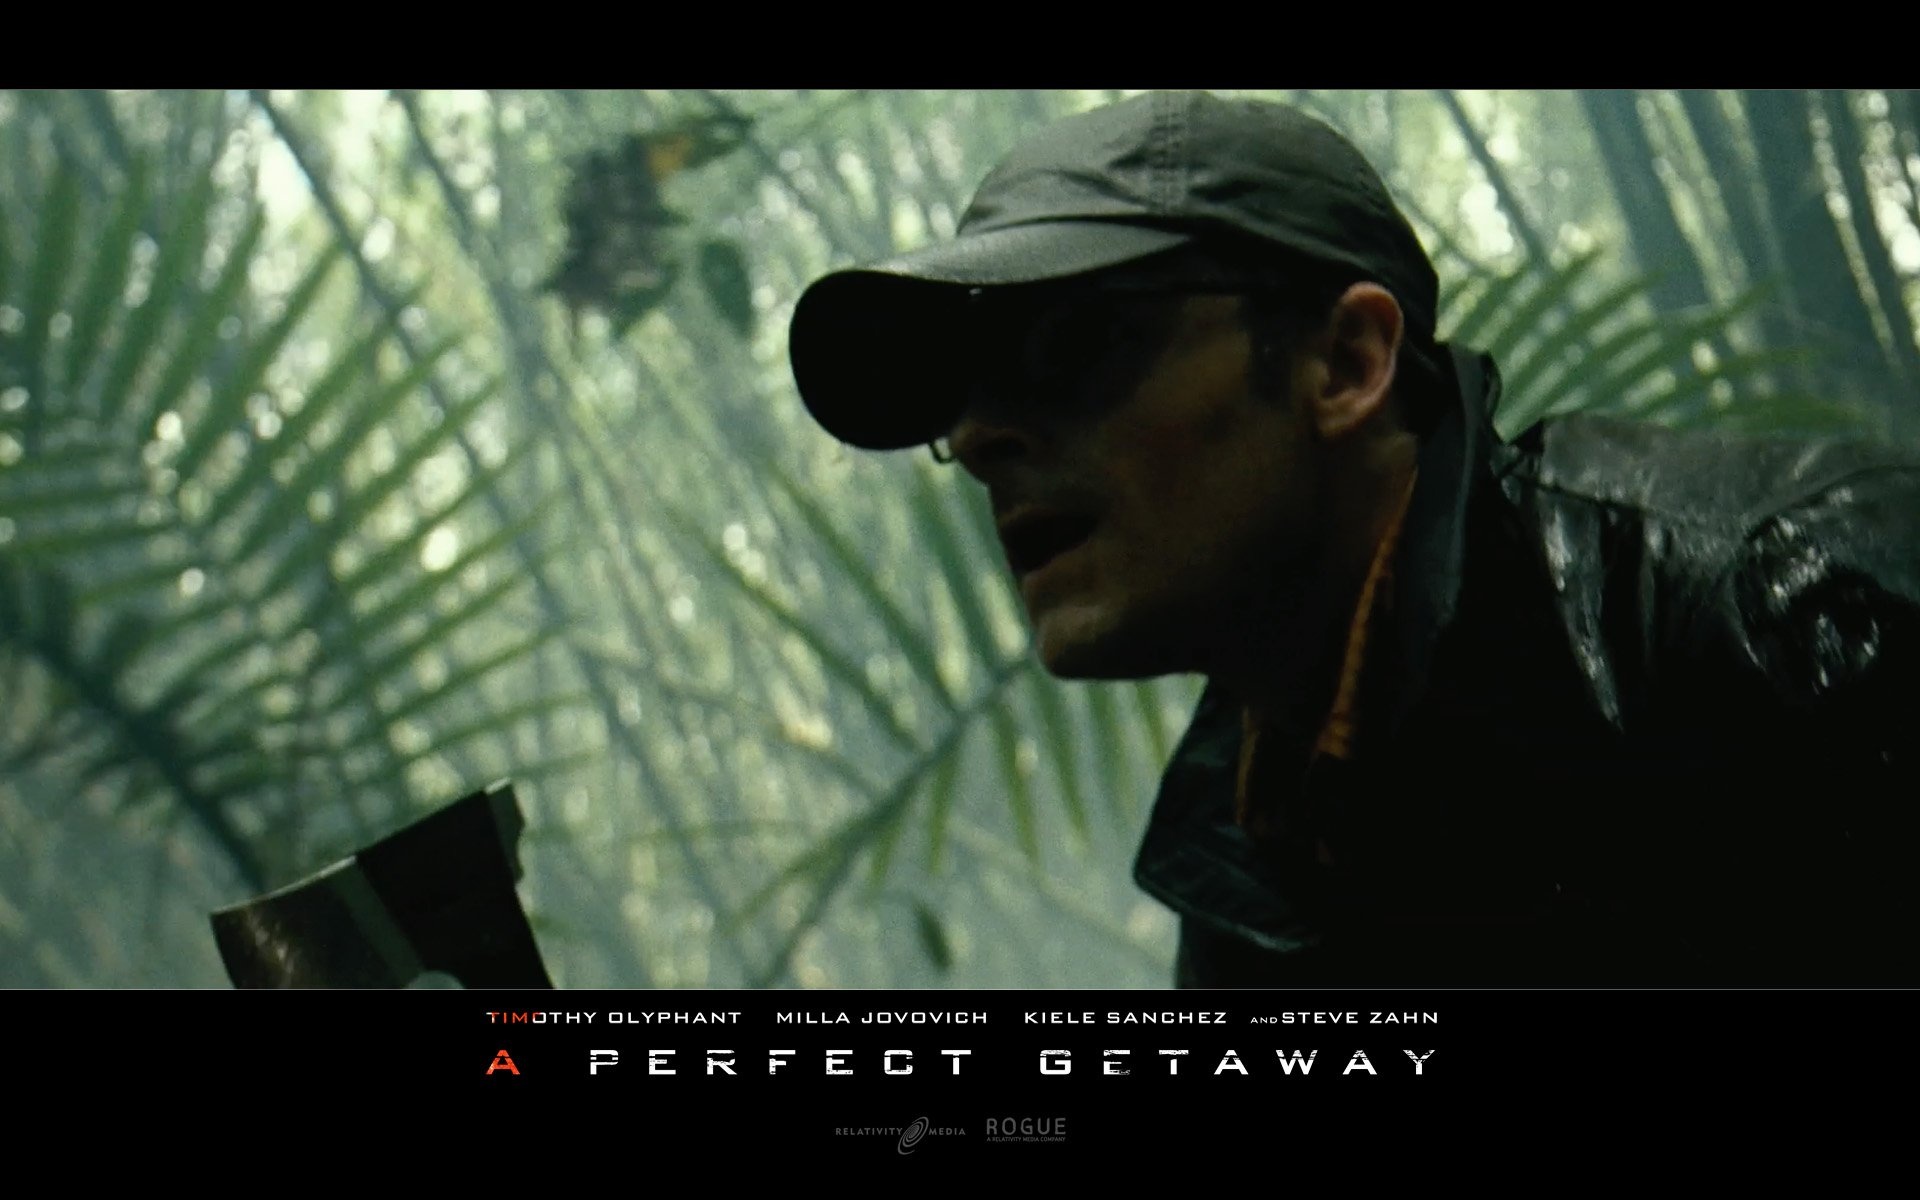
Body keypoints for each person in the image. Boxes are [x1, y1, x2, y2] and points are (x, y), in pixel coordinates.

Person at [786, 91, 1920, 987]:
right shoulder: (1247, 873)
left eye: (1071, 350)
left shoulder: (1793, 613)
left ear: (1346, 363)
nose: (979, 437)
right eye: (966, 394)